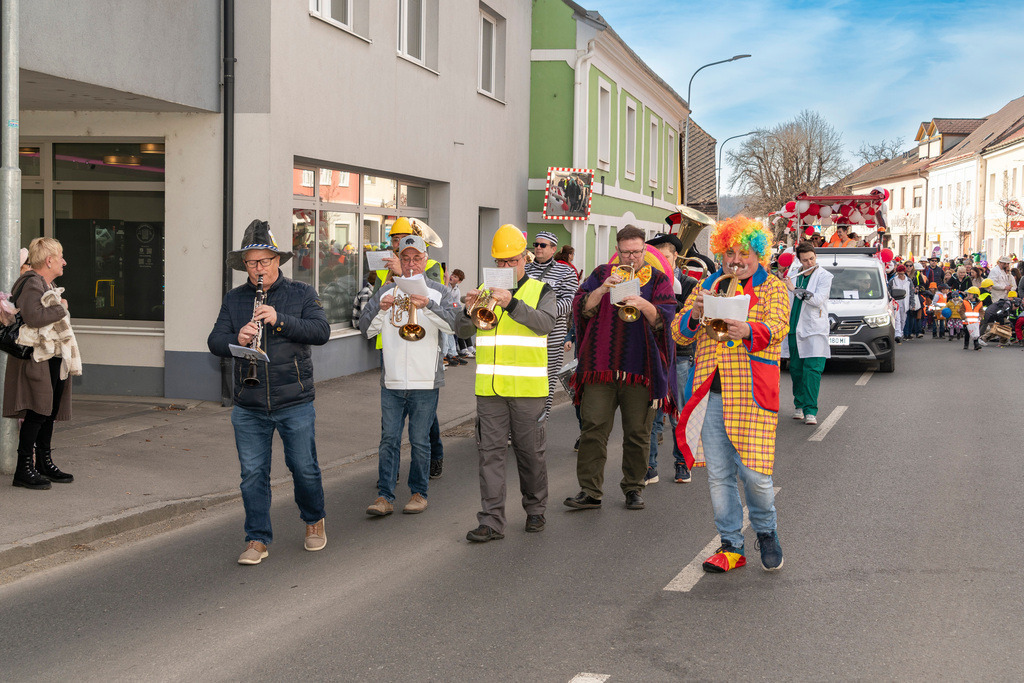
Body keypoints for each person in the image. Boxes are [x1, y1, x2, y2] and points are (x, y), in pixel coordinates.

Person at [208, 219, 331, 565]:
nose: (258, 269)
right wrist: (238, 339)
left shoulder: (302, 294)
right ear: (243, 265)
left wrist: (278, 319)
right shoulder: (234, 299)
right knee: (252, 473)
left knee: (303, 467)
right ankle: (257, 538)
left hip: (294, 399)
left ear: (278, 260)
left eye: (264, 261)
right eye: (251, 263)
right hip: (248, 403)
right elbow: (214, 341)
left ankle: (313, 520)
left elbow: (321, 332)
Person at [674, 216, 789, 573]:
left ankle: (766, 532)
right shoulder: (707, 284)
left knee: (755, 475)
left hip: (752, 394)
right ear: (721, 254)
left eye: (744, 253)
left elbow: (779, 327)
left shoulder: (772, 287)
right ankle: (731, 546)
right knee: (720, 475)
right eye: (730, 253)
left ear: (758, 255)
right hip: (710, 393)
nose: (736, 260)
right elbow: (680, 335)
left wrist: (749, 328)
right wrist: (693, 314)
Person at [564, 225, 677, 512]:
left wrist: (644, 304)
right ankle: (590, 491)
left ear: (644, 251)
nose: (631, 258)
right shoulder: (602, 274)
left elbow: (667, 320)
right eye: (625, 252)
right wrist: (603, 289)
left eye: (636, 252)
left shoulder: (659, 279)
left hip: (641, 369)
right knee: (593, 429)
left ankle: (633, 488)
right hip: (600, 368)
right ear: (618, 251)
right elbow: (580, 310)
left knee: (638, 433)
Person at [455, 225, 557, 542]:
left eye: (510, 261)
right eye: (499, 262)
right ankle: (491, 521)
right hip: (490, 391)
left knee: (530, 455)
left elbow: (546, 325)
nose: (504, 268)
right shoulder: (485, 290)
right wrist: (469, 306)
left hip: (528, 391)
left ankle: (536, 509)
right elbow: (461, 332)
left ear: (524, 259)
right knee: (490, 455)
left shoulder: (541, 291)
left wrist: (511, 303)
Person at [359, 235, 458, 516]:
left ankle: (418, 492)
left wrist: (428, 305)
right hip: (391, 380)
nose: (411, 263)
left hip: (425, 380)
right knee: (388, 439)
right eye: (405, 258)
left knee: (419, 439)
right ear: (398, 260)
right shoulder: (385, 291)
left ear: (426, 261)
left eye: (417, 258)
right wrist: (380, 310)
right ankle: (384, 496)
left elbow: (454, 328)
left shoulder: (439, 291)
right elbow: (365, 329)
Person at [3, 237, 81, 490]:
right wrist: (62, 308)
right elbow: (35, 317)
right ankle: (23, 469)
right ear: (49, 260)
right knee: (37, 412)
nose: (64, 262)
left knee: (48, 412)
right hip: (38, 359)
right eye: (61, 257)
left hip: (52, 358)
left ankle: (44, 464)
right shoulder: (32, 283)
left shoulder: (46, 283)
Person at [372, 217, 447, 477]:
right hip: (390, 347)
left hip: (424, 360)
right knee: (390, 434)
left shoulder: (434, 267)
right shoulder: (386, 266)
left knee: (423, 426)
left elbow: (438, 295)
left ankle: (433, 459)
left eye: (400, 238)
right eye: (395, 240)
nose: (396, 244)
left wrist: (406, 276)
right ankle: (387, 485)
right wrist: (388, 284)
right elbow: (372, 300)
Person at [645, 232, 698, 485]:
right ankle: (650, 467)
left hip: (680, 355)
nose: (660, 263)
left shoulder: (688, 284)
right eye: (656, 258)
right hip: (654, 353)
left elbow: (688, 320)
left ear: (676, 257)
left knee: (678, 411)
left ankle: (681, 463)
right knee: (653, 413)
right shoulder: (647, 281)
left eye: (665, 257)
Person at [524, 231, 579, 419]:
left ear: (553, 249)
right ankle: (521, 423)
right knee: (526, 380)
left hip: (552, 337)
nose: (537, 248)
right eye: (536, 244)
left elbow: (570, 300)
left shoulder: (566, 271)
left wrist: (543, 314)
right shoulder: (526, 269)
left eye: (543, 245)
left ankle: (541, 422)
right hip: (526, 335)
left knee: (546, 382)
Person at [781, 241, 833, 426]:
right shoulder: (794, 274)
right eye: (805, 260)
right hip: (794, 328)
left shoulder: (825, 276)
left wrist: (794, 290)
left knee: (812, 370)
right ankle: (799, 405)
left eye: (812, 258)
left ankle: (811, 410)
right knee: (796, 370)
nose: (810, 263)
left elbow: (818, 300)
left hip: (815, 330)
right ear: (799, 260)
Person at [442, 269, 467, 367]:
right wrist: (446, 281)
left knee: (451, 333)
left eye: (455, 277)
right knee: (445, 333)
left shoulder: (457, 290)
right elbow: (444, 296)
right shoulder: (445, 284)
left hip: (450, 313)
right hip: (442, 312)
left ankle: (453, 353)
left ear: (459, 281)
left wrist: (453, 306)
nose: (452, 277)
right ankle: (444, 354)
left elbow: (457, 304)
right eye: (452, 275)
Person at [889, 265, 913, 343]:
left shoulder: (908, 281)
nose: (900, 275)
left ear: (904, 273)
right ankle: (897, 334)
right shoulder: (893, 280)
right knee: (897, 319)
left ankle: (900, 333)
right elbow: (889, 292)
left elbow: (911, 293)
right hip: (895, 303)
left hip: (905, 302)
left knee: (903, 319)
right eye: (899, 274)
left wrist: (912, 303)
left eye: (902, 274)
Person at [962, 286, 983, 351]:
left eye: (970, 294)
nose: (968, 295)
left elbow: (981, 311)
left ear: (975, 295)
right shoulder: (965, 302)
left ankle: (976, 344)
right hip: (967, 321)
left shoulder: (980, 303)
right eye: (968, 294)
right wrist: (964, 317)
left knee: (975, 334)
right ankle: (966, 344)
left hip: (975, 321)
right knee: (967, 333)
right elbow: (961, 310)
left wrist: (980, 316)